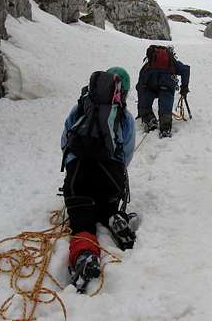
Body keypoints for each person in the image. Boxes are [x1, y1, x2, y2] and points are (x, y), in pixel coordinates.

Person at [61, 67, 136, 292]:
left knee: (82, 221)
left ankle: (85, 255)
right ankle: (112, 216)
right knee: (105, 205)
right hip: (109, 177)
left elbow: (66, 141)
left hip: (78, 176)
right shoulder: (124, 116)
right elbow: (126, 155)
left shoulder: (81, 108)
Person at [136, 45, 190, 138]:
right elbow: (186, 70)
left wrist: (140, 110)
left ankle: (149, 121)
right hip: (167, 86)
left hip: (150, 87)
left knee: (145, 105)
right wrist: (184, 87)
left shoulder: (149, 64)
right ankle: (165, 129)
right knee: (165, 109)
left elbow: (140, 86)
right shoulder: (173, 63)